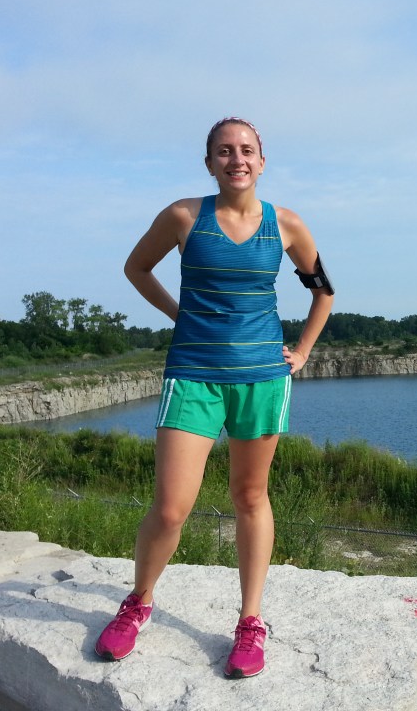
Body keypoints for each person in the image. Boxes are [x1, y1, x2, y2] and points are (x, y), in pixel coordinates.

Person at [94, 116, 334, 678]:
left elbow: (323, 290)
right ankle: (138, 603)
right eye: (224, 151)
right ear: (209, 163)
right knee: (171, 507)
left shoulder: (286, 224)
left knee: (250, 497)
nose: (236, 159)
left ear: (262, 161)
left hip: (262, 379)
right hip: (193, 374)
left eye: (247, 150)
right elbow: (136, 268)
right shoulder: (184, 216)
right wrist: (180, 314)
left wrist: (301, 351)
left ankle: (250, 622)